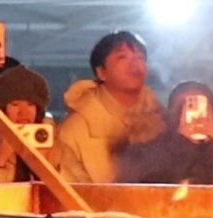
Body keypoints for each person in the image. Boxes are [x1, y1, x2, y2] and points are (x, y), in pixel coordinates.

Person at [53, 30, 163, 184]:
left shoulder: (162, 122)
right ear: (101, 72)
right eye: (122, 57)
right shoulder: (75, 130)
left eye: (140, 57)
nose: (135, 64)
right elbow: (65, 191)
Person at [119, 81, 213, 185]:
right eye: (182, 107)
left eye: (200, 107)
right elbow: (150, 186)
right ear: (169, 114)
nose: (192, 114)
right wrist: (182, 143)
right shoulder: (150, 149)